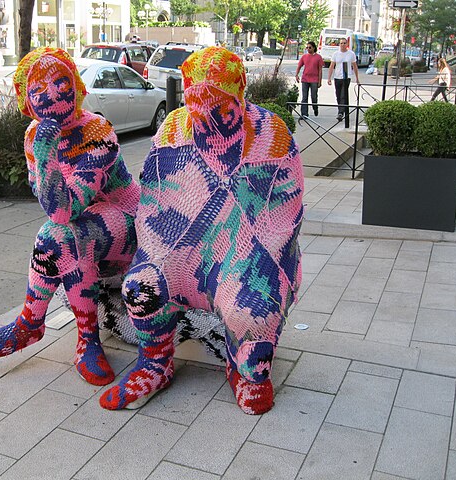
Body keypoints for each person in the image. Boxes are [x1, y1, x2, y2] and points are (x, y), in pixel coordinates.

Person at [99, 46, 304, 415]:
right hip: (180, 249)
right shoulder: (174, 129)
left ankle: (241, 361)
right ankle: (156, 362)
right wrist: (157, 254)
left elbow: (286, 214)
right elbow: (154, 201)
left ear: (240, 93)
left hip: (250, 255)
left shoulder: (271, 134)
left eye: (221, 107)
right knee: (141, 287)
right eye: (199, 108)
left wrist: (246, 263)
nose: (208, 119)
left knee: (253, 310)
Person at [0, 48, 140, 387]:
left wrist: (46, 153)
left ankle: (43, 326)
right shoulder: (33, 136)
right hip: (86, 225)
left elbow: (64, 210)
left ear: (77, 87)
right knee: (58, 237)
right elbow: (49, 203)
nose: (50, 94)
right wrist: (43, 149)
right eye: (38, 89)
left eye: (60, 82)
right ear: (26, 100)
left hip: (128, 223)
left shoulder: (98, 132)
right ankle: (67, 334)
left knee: (65, 233)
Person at [327, 38, 359, 121]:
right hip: (337, 77)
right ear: (339, 44)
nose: (343, 45)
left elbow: (354, 66)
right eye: (341, 43)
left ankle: (341, 113)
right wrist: (329, 78)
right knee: (338, 95)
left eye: (344, 43)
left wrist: (357, 78)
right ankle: (341, 110)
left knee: (343, 95)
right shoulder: (335, 54)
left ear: (347, 44)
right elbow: (331, 66)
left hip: (346, 77)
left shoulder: (351, 54)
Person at [295, 40, 323, 119]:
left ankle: (315, 107)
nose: (308, 49)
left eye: (310, 47)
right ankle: (304, 114)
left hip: (314, 79)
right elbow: (299, 66)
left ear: (314, 48)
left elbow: (320, 70)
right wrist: (296, 75)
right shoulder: (304, 57)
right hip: (305, 79)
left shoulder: (318, 57)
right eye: (307, 47)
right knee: (304, 97)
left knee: (313, 96)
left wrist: (319, 81)